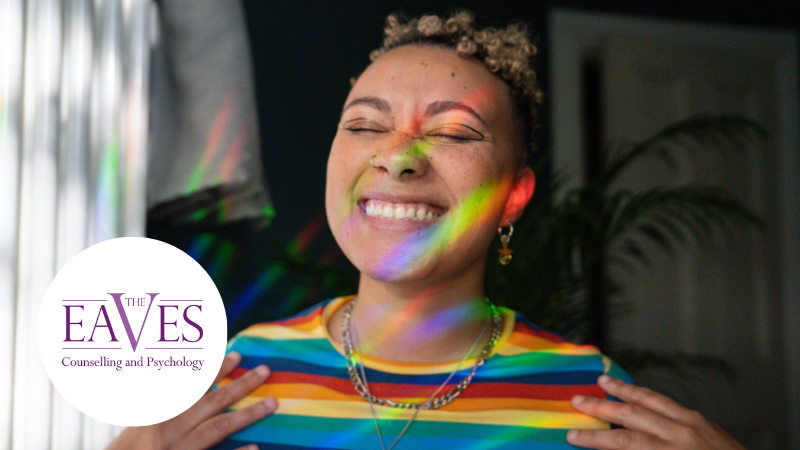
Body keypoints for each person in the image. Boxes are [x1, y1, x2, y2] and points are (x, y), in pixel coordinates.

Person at [107, 11, 747, 450]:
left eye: (454, 133)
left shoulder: (591, 400)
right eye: (364, 125)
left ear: (514, 196)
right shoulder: (230, 383)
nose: (399, 156)